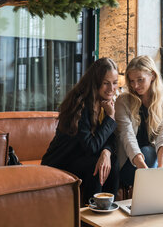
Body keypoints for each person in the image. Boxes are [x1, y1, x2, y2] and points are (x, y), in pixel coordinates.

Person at [41, 57, 120, 203]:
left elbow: (110, 139)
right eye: (105, 83)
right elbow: (91, 147)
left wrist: (106, 153)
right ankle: (90, 219)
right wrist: (110, 117)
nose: (111, 89)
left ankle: (110, 213)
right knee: (95, 166)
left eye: (115, 83)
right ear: (95, 82)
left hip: (84, 158)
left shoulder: (105, 102)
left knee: (112, 162)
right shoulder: (80, 104)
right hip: (62, 161)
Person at [115, 55, 163, 187]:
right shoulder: (123, 101)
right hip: (127, 162)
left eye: (140, 80)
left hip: (149, 160)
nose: (135, 85)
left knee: (150, 152)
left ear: (152, 76)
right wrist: (145, 170)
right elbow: (127, 136)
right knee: (147, 152)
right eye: (131, 81)